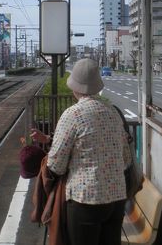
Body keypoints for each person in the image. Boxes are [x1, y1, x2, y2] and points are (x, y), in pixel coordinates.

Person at [31, 58, 130, 245]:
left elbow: (56, 164)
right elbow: (125, 158)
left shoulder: (73, 114)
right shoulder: (113, 112)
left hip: (85, 199)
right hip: (116, 198)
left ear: (75, 87)